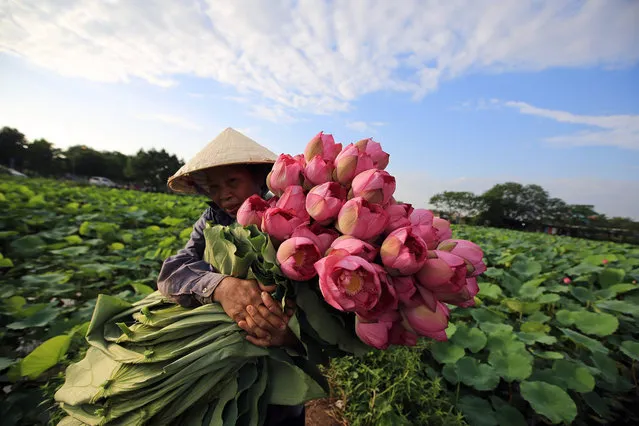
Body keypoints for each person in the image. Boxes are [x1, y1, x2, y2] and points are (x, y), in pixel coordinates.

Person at [157, 128, 305, 425]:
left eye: (232, 182)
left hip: (281, 355)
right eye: (213, 187)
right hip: (227, 357)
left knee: (282, 412)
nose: (223, 194)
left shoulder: (287, 214)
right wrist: (221, 286)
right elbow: (173, 270)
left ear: (259, 178)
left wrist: (289, 334)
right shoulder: (210, 221)